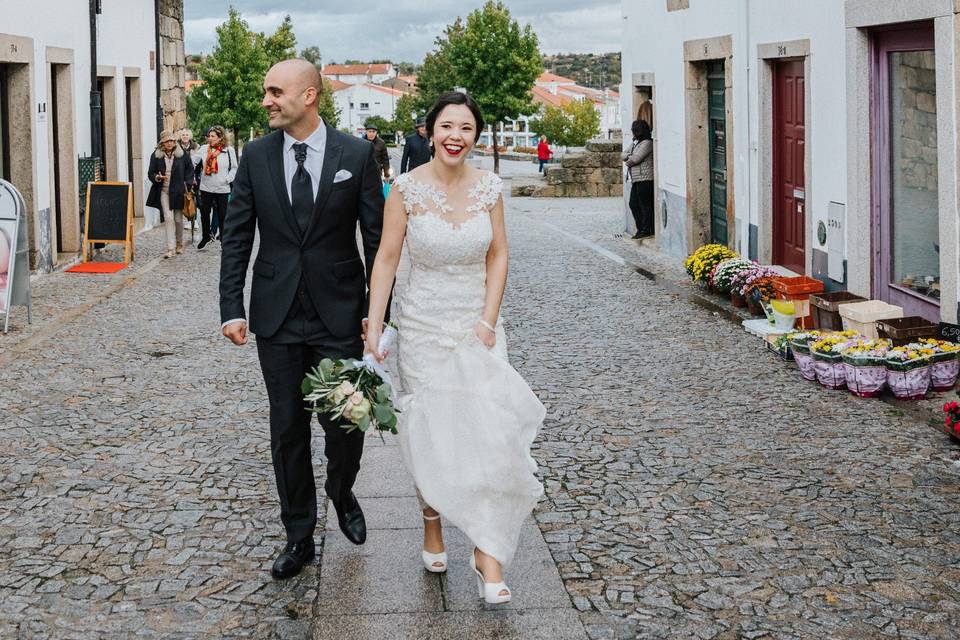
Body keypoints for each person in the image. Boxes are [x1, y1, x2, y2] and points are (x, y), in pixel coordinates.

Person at [365, 91, 545, 605]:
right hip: (422, 326)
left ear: (475, 136)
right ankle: (432, 525)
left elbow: (499, 254)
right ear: (429, 131)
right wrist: (375, 326)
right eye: (447, 126)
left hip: (477, 327)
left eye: (466, 128)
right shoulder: (404, 189)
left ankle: (488, 551)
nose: (455, 136)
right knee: (431, 434)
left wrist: (488, 320)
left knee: (492, 435)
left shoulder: (490, 187)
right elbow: (386, 260)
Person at [219, 59, 385, 580]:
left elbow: (378, 242)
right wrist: (232, 307)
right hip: (277, 315)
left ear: (308, 95)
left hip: (340, 314)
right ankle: (299, 536)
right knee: (287, 428)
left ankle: (342, 489)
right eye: (266, 91)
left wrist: (374, 314)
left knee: (345, 421)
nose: (266, 100)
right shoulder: (256, 156)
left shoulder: (355, 156)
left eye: (275, 91)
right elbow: (237, 236)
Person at [146, 130, 193, 258]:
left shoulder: (181, 154)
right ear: (162, 143)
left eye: (172, 140)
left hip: (178, 191)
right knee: (168, 218)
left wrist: (187, 185)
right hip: (164, 191)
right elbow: (150, 173)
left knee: (178, 220)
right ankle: (170, 248)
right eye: (168, 141)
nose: (170, 143)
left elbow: (190, 169)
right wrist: (157, 177)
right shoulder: (156, 155)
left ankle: (179, 244)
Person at [194, 125, 238, 250]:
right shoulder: (203, 149)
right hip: (206, 187)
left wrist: (227, 179)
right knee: (204, 213)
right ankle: (206, 236)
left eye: (213, 136)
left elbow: (234, 168)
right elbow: (192, 162)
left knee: (223, 215)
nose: (210, 138)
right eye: (209, 136)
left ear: (220, 138)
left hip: (222, 188)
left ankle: (224, 239)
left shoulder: (228, 150)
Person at [623, 119, 654, 239]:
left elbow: (635, 159)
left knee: (644, 206)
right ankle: (641, 228)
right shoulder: (636, 143)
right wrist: (629, 156)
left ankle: (646, 230)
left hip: (646, 179)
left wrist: (628, 158)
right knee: (633, 204)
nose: (634, 133)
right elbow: (623, 154)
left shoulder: (647, 143)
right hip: (636, 179)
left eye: (636, 130)